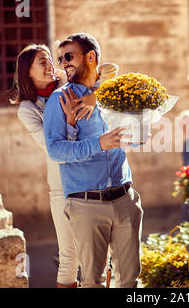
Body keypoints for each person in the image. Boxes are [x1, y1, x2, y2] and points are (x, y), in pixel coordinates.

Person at [12, 43, 118, 288]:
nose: (51, 64)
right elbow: (52, 149)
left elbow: (110, 70)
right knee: (69, 256)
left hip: (94, 177)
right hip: (63, 188)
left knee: (106, 252)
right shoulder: (28, 110)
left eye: (51, 59)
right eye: (42, 61)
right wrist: (69, 124)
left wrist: (94, 93)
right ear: (27, 72)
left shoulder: (68, 87)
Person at [43, 33, 142, 288]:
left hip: (124, 198)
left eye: (69, 56)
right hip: (86, 204)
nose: (64, 63)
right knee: (92, 282)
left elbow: (136, 130)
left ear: (90, 56)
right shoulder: (60, 99)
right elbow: (55, 151)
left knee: (129, 280)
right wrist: (100, 144)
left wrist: (139, 129)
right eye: (61, 58)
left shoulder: (113, 92)